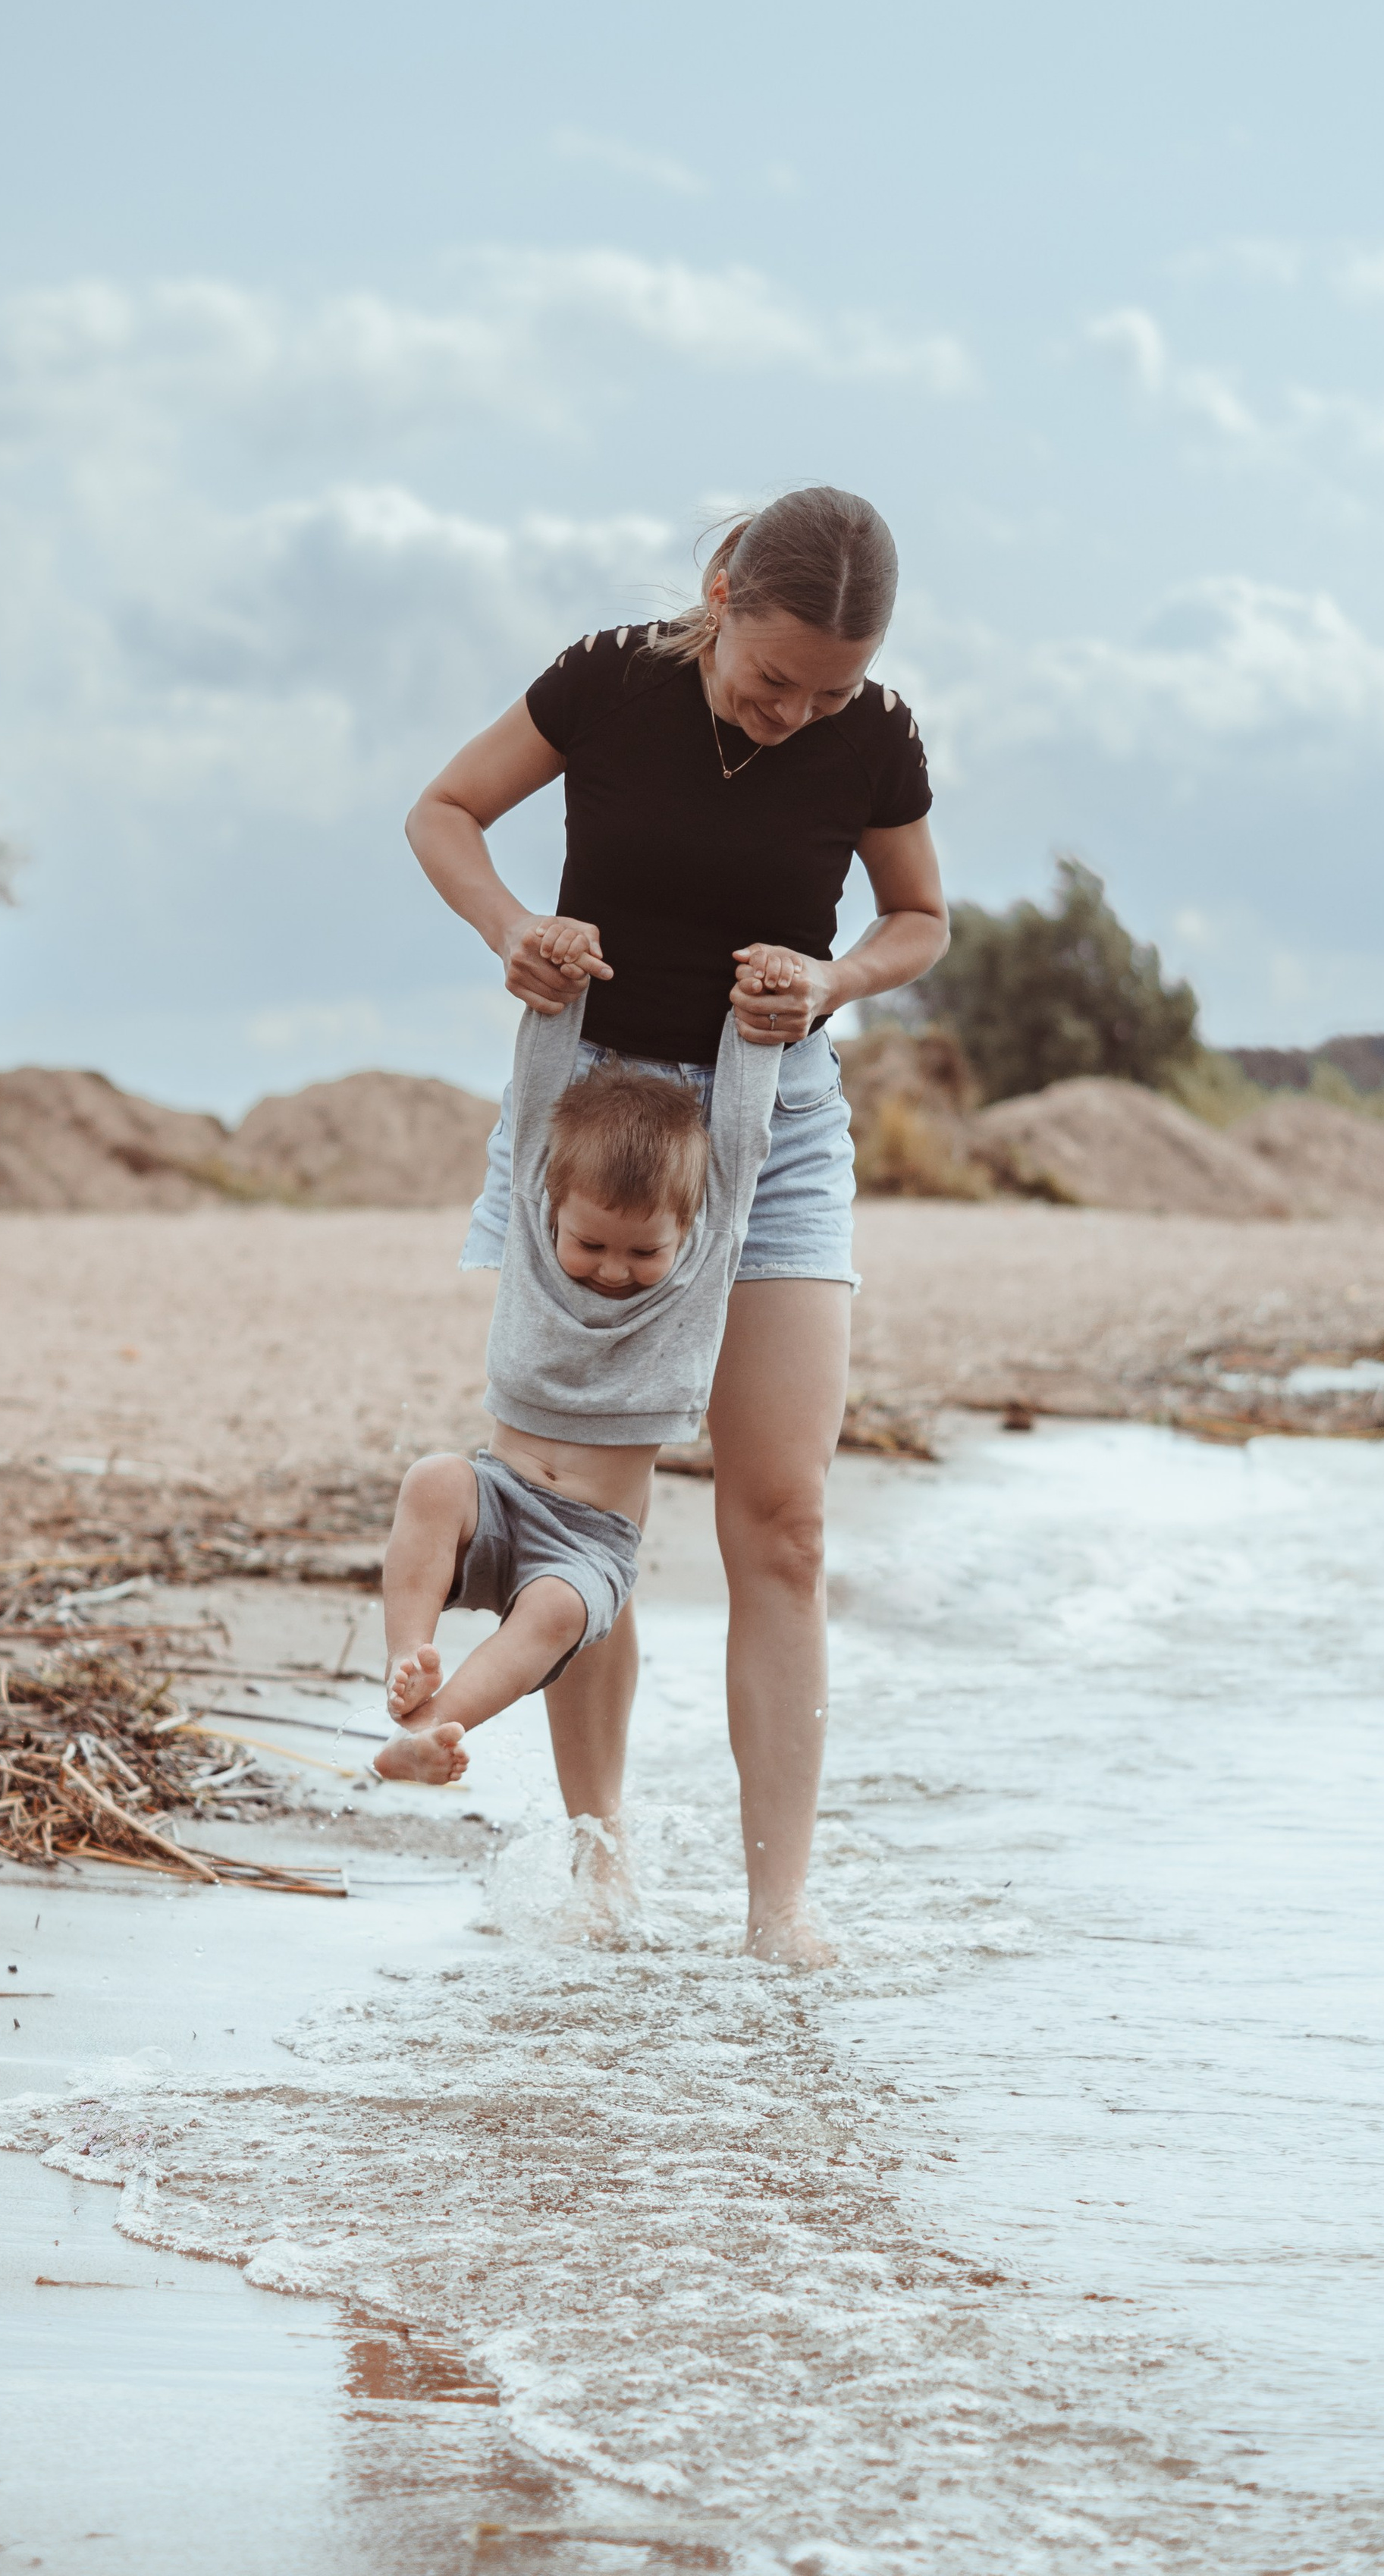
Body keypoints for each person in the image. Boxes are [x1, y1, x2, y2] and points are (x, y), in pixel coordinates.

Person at [406, 484, 947, 1965]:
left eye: (825, 690)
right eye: (773, 678)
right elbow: (441, 811)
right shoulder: (608, 681)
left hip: (773, 1133)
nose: (794, 715)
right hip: (594, 1129)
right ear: (718, 592)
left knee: (781, 1522)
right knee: (589, 1521)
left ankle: (779, 1912)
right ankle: (601, 1865)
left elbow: (916, 922)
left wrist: (830, 984)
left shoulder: (873, 734)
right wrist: (510, 927)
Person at [374, 997, 778, 1786]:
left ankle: (433, 1728)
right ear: (549, 1208)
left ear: (690, 1230)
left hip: (587, 1546)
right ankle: (406, 1666)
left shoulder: (699, 1263)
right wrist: (559, 987)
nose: (613, 1268)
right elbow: (535, 1090)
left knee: (556, 1611)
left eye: (643, 1250)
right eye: (590, 1242)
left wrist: (755, 1026)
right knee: (432, 1478)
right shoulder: (535, 1231)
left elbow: (742, 1133)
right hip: (496, 1494)